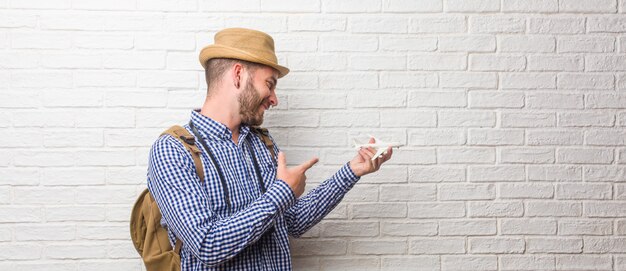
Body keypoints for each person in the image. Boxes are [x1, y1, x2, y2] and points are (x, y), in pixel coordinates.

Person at [147, 28, 393, 270]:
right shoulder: (172, 151)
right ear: (238, 75)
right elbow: (207, 245)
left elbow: (292, 221)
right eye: (269, 84)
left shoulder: (262, 144)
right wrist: (282, 193)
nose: (274, 98)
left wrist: (351, 171)